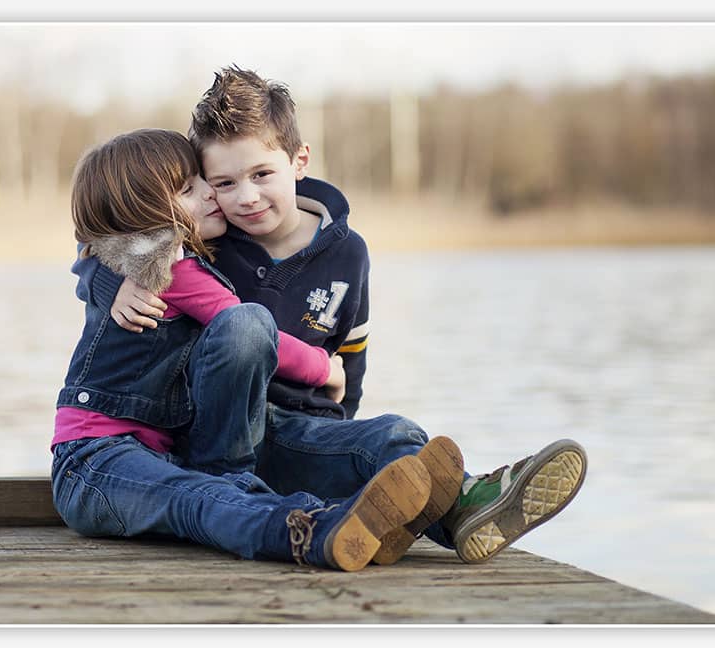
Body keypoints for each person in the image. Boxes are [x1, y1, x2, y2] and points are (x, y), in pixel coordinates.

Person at [75, 67, 588, 567]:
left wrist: (335, 434)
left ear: (298, 162)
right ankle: (318, 519)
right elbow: (111, 236)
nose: (241, 197)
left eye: (260, 175)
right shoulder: (205, 241)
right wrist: (109, 281)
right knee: (245, 326)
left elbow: (352, 362)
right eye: (220, 183)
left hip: (289, 429)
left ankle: (467, 508)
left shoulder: (346, 255)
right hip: (210, 439)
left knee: (391, 436)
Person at [51, 127, 441, 572]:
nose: (212, 196)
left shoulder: (171, 259)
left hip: (162, 453)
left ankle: (454, 509)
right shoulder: (167, 270)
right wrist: (325, 369)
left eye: (203, 183)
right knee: (197, 497)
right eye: (190, 190)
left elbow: (95, 244)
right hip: (94, 463)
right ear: (149, 211)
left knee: (390, 434)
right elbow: (95, 245)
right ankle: (315, 529)